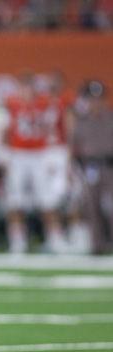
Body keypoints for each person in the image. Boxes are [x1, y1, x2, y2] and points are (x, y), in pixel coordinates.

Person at [4, 74, 67, 253]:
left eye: (29, 87)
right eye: (23, 88)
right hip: (18, 155)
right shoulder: (11, 105)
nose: (26, 92)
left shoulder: (45, 104)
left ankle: (55, 238)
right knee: (15, 199)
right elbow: (3, 131)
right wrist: (6, 154)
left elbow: (56, 126)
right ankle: (17, 241)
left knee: (47, 199)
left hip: (40, 155)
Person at [72, 80, 113, 254]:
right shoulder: (81, 121)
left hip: (109, 166)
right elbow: (75, 146)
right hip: (89, 167)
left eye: (98, 98)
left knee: (110, 206)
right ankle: (97, 245)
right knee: (91, 207)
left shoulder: (110, 118)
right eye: (92, 99)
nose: (95, 102)